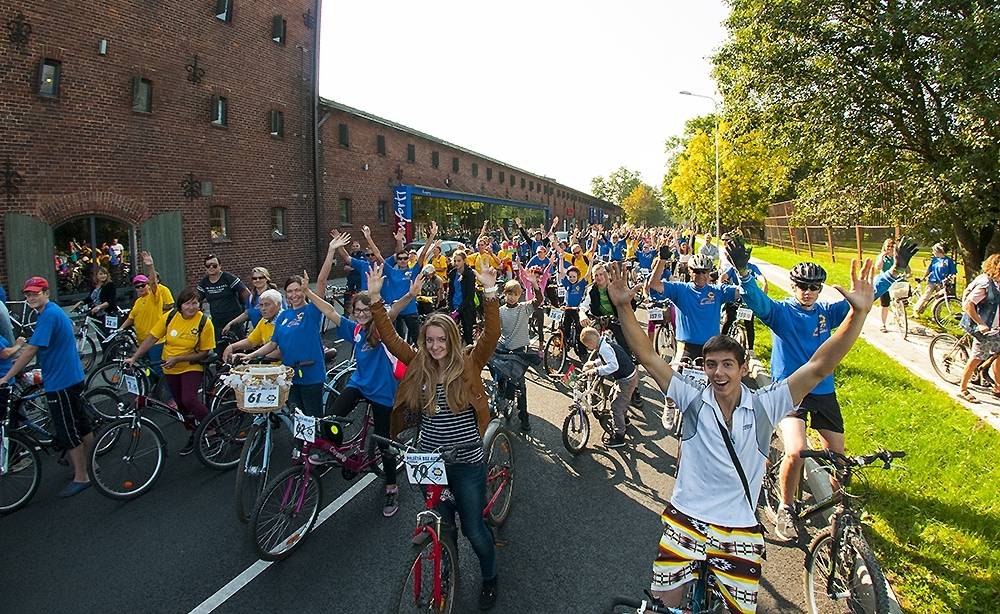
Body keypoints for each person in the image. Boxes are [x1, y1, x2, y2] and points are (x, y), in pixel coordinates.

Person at [605, 260, 876, 614]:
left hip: (740, 530)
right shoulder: (691, 396)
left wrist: (859, 315)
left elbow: (819, 366)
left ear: (743, 368)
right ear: (703, 369)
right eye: (711, 365)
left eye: (727, 364)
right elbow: (647, 354)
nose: (718, 373)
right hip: (686, 520)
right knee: (662, 606)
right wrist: (624, 306)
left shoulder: (766, 404)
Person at [725, 235, 914, 541]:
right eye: (803, 286)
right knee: (797, 450)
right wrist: (744, 272)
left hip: (824, 391)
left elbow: (865, 297)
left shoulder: (827, 312)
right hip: (790, 391)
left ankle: (841, 513)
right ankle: (785, 507)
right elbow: (757, 301)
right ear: (793, 285)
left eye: (815, 287)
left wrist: (893, 271)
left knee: (839, 456)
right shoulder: (781, 312)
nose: (809, 292)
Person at [371, 263, 502, 610]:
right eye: (430, 340)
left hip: (466, 461)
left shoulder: (469, 362)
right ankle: (448, 566)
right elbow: (390, 337)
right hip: (429, 461)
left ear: (452, 339)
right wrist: (374, 301)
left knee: (474, 530)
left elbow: (491, 335)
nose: (435, 345)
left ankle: (490, 577)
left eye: (441, 339)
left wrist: (489, 293)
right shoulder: (419, 364)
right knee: (442, 526)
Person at [305, 264, 418, 517]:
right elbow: (328, 311)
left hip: (383, 392)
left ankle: (391, 487)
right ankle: (332, 448)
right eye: (358, 310)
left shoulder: (380, 327)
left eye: (366, 310)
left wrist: (410, 295)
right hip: (359, 385)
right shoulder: (354, 329)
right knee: (330, 419)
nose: (361, 314)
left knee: (385, 446)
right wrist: (308, 292)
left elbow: (395, 309)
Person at [0, 276, 92, 497]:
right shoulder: (52, 312)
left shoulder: (48, 315)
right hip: (71, 375)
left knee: (68, 430)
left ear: (46, 293)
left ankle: (82, 476)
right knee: (82, 424)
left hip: (61, 381)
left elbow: (32, 350)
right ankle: (91, 466)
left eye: (35, 293)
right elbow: (42, 344)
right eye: (28, 294)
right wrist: (18, 357)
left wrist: (7, 376)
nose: (31, 297)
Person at [125, 287, 216, 455]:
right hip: (170, 368)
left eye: (195, 303)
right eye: (187, 304)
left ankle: (211, 428)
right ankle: (193, 433)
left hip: (191, 365)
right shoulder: (170, 317)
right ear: (180, 305)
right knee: (180, 405)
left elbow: (204, 352)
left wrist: (179, 359)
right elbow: (152, 338)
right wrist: (134, 357)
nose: (191, 307)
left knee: (188, 399)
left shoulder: (204, 322)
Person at [241, 275, 326, 417]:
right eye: (290, 291)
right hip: (289, 374)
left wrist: (331, 252)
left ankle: (322, 439)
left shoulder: (312, 311)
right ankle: (302, 440)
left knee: (313, 419)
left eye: (298, 290)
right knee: (297, 417)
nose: (294, 295)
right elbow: (273, 344)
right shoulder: (283, 315)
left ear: (304, 291)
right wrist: (251, 355)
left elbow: (322, 282)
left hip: (311, 374)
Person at [646, 253, 736, 361]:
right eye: (696, 271)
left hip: (711, 347)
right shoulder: (680, 289)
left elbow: (745, 292)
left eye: (704, 271)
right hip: (685, 348)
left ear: (709, 272)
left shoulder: (718, 291)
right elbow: (654, 284)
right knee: (675, 376)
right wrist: (662, 260)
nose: (701, 275)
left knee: (717, 377)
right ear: (689, 271)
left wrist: (742, 270)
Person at [493, 277, 543, 431]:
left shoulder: (524, 308)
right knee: (499, 376)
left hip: (519, 350)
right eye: (508, 293)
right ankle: (501, 396)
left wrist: (535, 285)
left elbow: (538, 300)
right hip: (503, 347)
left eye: (514, 294)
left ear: (519, 295)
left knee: (520, 384)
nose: (511, 297)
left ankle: (524, 416)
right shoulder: (500, 310)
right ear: (504, 294)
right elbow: (494, 328)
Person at [118, 251, 174, 379]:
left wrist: (150, 266)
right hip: (142, 344)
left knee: (160, 372)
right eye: (137, 286)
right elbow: (131, 318)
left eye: (143, 285)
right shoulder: (138, 302)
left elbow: (154, 283)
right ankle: (151, 395)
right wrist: (119, 330)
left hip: (156, 342)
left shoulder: (154, 297)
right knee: (147, 372)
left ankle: (169, 397)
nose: (140, 288)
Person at [579, 326, 638, 448]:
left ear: (591, 343)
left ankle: (619, 437)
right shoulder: (604, 342)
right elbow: (610, 358)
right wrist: (595, 363)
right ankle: (624, 420)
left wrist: (596, 370)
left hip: (626, 379)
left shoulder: (604, 349)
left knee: (616, 406)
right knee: (614, 396)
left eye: (587, 346)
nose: (588, 349)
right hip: (627, 375)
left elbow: (613, 366)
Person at [957, 253, 1000, 403]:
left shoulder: (998, 282)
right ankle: (962, 389)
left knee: (999, 354)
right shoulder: (985, 284)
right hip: (982, 327)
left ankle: (998, 388)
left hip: (995, 327)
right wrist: (980, 323)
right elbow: (969, 304)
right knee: (977, 357)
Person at [197, 254, 250, 343]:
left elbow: (246, 292)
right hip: (217, 321)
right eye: (208, 266)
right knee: (219, 346)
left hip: (234, 319)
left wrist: (248, 309)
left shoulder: (228, 278)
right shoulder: (203, 283)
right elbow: (198, 300)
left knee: (238, 345)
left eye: (214, 265)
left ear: (220, 266)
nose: (211, 267)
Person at [223, 289, 283, 363]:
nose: (263, 308)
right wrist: (232, 347)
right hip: (269, 367)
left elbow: (280, 352)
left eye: (267, 304)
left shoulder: (284, 321)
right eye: (261, 305)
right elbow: (251, 341)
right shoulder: (264, 321)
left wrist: (251, 357)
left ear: (278, 305)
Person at [222, 266, 278, 336]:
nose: (257, 280)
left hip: (272, 335)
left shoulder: (274, 295)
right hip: (258, 336)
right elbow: (247, 314)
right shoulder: (251, 297)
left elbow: (282, 315)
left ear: (266, 279)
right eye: (254, 278)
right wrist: (230, 324)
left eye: (261, 277)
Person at [912, 243, 958, 316]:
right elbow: (929, 269)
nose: (933, 252)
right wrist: (923, 277)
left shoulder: (948, 261)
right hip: (932, 281)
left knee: (938, 299)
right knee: (926, 296)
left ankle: (936, 315)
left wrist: (949, 278)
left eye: (934, 251)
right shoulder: (934, 260)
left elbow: (953, 272)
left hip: (942, 283)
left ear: (938, 251)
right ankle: (916, 310)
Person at [449, 249, 478, 345]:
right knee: (452, 336)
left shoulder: (469, 274)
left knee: (468, 335)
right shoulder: (452, 273)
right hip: (454, 306)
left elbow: (470, 296)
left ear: (464, 261)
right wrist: (452, 309)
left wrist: (458, 311)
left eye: (459, 261)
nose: (456, 263)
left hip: (466, 308)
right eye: (455, 261)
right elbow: (450, 292)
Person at [875, 237, 897, 332]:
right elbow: (878, 267)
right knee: (885, 304)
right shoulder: (882, 257)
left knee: (900, 302)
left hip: (896, 283)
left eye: (892, 246)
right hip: (885, 283)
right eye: (888, 246)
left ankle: (899, 320)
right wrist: (881, 257)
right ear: (884, 247)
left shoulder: (897, 257)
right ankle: (883, 324)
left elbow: (907, 269)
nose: (890, 248)